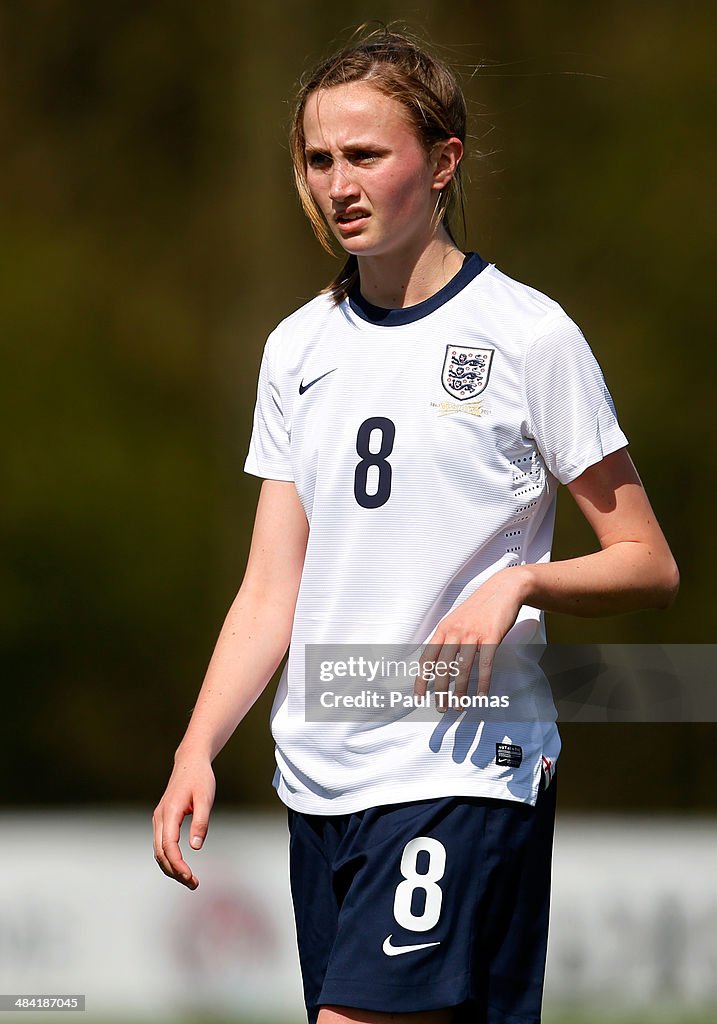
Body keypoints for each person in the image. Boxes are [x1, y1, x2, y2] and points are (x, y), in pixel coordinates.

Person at [152, 25, 679, 1024]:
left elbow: (647, 562)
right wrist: (195, 746)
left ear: (441, 163)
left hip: (461, 763)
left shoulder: (530, 337)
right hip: (321, 775)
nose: (337, 183)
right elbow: (272, 586)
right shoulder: (296, 348)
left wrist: (520, 581)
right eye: (318, 159)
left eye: (365, 155)